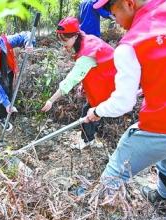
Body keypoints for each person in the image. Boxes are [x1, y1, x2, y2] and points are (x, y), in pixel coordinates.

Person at [86, 0, 166, 204]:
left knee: (116, 169)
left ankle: (98, 211)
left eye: (113, 13)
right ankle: (161, 198)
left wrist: (97, 111)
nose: (115, 21)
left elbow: (123, 104)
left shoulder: (131, 44)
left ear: (129, 3)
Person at [41, 17, 116, 150]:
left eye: (65, 40)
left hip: (109, 81)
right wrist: (84, 83)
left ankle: (88, 141)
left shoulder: (87, 53)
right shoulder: (86, 38)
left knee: (88, 112)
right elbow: (90, 67)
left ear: (75, 36)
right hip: (104, 76)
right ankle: (90, 137)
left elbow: (71, 79)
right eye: (60, 40)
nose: (63, 44)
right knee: (91, 109)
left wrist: (51, 100)